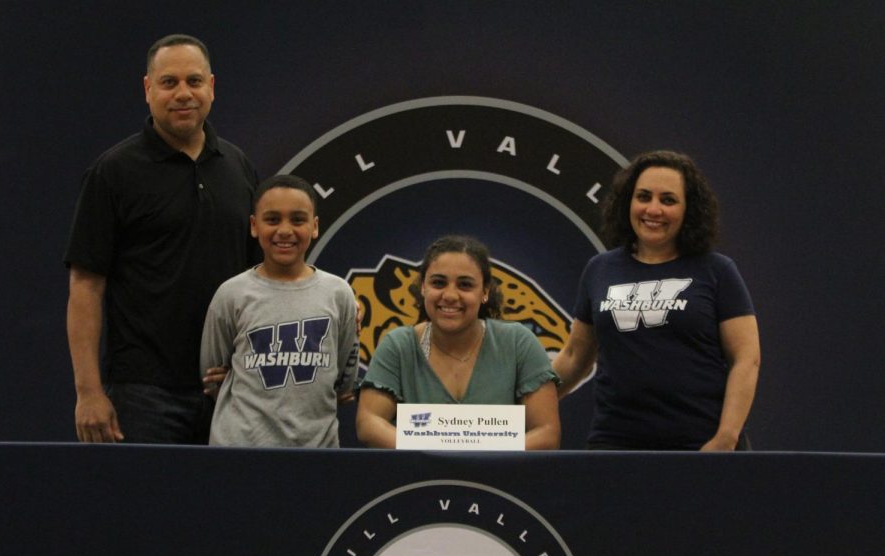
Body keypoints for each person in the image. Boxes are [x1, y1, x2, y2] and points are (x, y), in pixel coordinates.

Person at [65, 34, 258, 444]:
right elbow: (85, 286)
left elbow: (259, 281)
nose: (183, 93)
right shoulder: (113, 172)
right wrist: (89, 392)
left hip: (227, 388)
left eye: (194, 81)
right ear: (148, 89)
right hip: (143, 394)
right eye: (169, 83)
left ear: (212, 87)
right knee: (146, 508)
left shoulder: (238, 167)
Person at [552, 150, 761, 451]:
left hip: (701, 446)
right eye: (644, 196)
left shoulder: (717, 270)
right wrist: (520, 412)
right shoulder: (600, 269)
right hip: (615, 445)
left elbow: (746, 359)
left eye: (668, 200)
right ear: (628, 202)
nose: (653, 209)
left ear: (689, 209)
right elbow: (574, 358)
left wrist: (725, 438)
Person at [356, 235, 561, 450]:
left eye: (465, 285)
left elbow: (546, 433)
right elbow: (369, 423)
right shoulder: (397, 345)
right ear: (423, 287)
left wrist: (476, 461)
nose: (450, 295)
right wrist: (437, 456)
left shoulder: (519, 342)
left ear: (484, 292)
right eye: (438, 283)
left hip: (498, 480)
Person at [200, 175, 359, 447]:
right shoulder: (231, 294)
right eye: (272, 220)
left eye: (297, 220)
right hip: (239, 450)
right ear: (254, 225)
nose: (285, 231)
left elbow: (343, 378)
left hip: (316, 451)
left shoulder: (339, 293)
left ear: (315, 226)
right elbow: (212, 374)